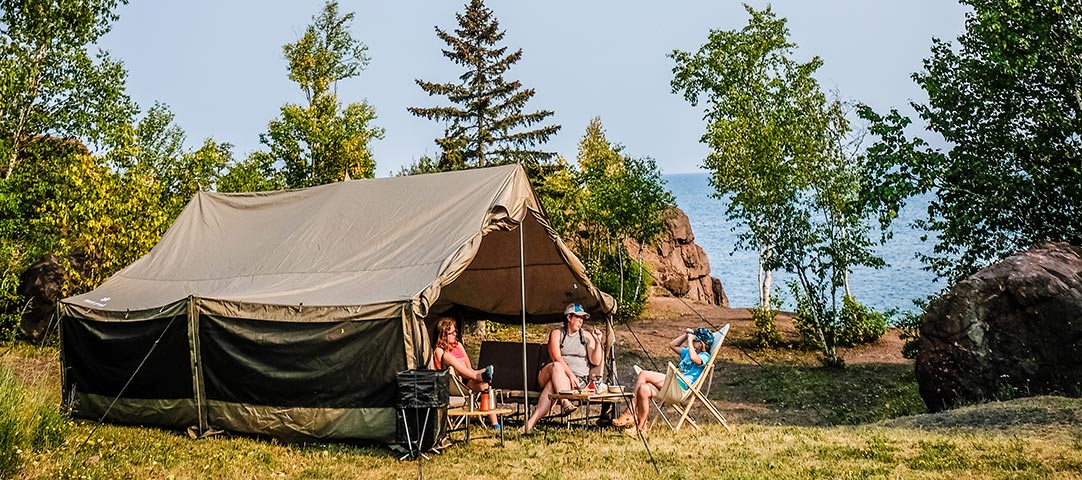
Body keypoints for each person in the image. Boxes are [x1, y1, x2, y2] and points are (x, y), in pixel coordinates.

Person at [612, 327, 714, 436]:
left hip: (679, 387)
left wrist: (689, 341)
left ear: (701, 344)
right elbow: (673, 345)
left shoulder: (705, 356)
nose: (692, 341)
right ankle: (641, 427)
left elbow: (695, 359)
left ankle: (629, 412)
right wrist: (686, 335)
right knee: (644, 389)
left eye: (695, 340)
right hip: (672, 385)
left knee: (643, 374)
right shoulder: (688, 353)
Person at [524, 303, 605, 432]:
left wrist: (598, 341)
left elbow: (596, 360)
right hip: (553, 372)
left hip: (577, 380)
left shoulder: (586, 336)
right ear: (569, 317)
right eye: (578, 317)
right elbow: (556, 357)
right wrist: (570, 375)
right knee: (557, 366)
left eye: (583, 318)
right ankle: (565, 402)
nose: (581, 321)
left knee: (551, 386)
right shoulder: (557, 334)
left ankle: (529, 425)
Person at [433, 317, 498, 428]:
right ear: (443, 336)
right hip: (452, 384)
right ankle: (480, 374)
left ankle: (495, 424)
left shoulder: (458, 346)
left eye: (455, 332)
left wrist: (468, 370)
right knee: (448, 357)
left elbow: (468, 367)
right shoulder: (439, 350)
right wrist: (459, 364)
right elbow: (443, 370)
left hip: (467, 381)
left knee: (485, 386)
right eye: (451, 333)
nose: (454, 335)